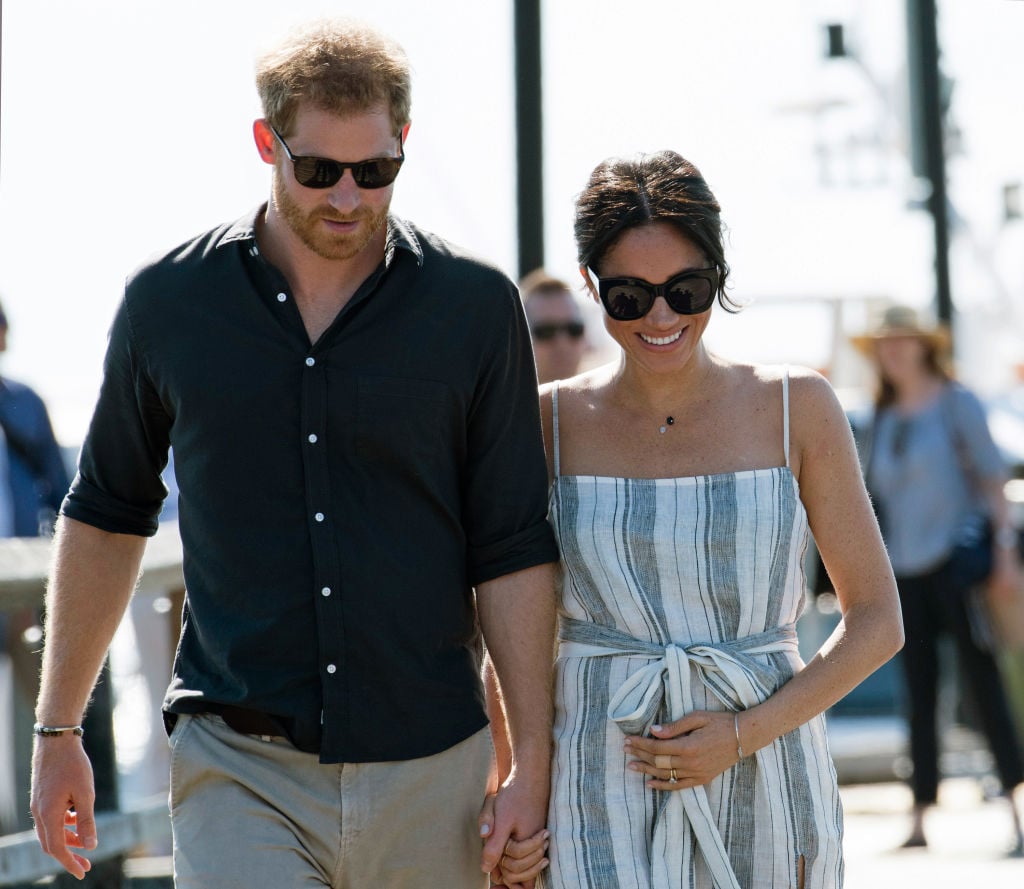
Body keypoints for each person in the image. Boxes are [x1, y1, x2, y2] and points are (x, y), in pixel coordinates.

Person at [29, 18, 558, 889]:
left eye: (375, 170)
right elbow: (106, 512)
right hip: (240, 767)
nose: (347, 196)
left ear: (403, 145)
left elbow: (511, 544)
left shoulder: (474, 308)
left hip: (431, 769)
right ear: (265, 143)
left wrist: (529, 761)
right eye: (316, 171)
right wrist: (57, 733)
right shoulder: (170, 304)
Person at [495, 150, 903, 889]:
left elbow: (877, 618)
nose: (661, 316)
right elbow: (512, 630)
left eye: (687, 288)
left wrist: (741, 735)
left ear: (718, 275)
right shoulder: (543, 423)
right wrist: (513, 786)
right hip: (594, 777)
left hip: (770, 773)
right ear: (591, 286)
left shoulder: (797, 407)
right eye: (629, 295)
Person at [852, 304, 1024, 852]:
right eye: (884, 342)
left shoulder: (957, 402)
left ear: (926, 345)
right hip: (902, 572)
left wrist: (1003, 558)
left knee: (984, 686)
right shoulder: (880, 415)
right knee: (918, 695)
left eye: (903, 340)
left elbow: (995, 482)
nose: (893, 350)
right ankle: (921, 817)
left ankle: (1019, 815)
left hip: (959, 564)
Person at [519, 269, 589, 384]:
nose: (562, 343)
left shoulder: (609, 400)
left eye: (574, 329)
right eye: (546, 332)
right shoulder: (497, 400)